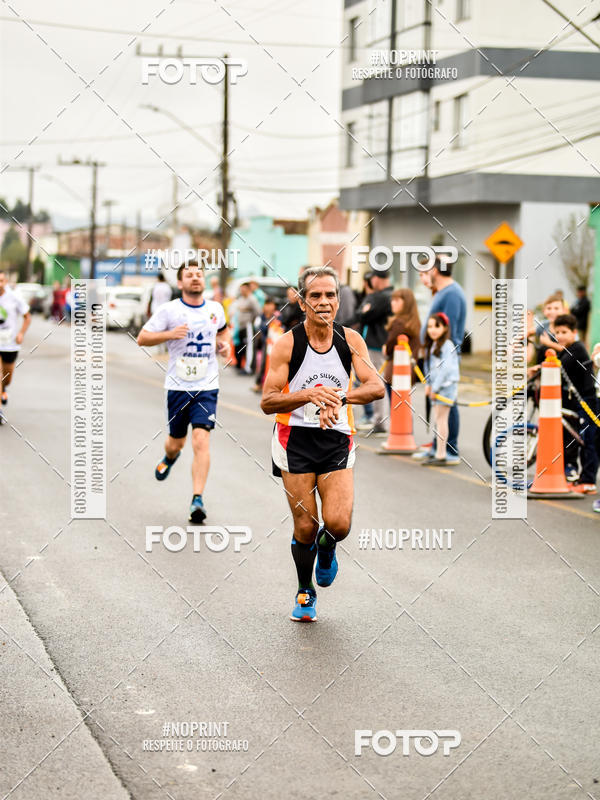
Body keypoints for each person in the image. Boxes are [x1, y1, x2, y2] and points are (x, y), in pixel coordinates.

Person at [261, 266, 384, 622]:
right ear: (302, 302)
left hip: (336, 439)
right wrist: (307, 395)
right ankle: (304, 591)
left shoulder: (350, 340)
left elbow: (376, 386)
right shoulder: (288, 344)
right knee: (305, 526)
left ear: (338, 299)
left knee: (339, 524)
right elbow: (268, 401)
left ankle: (327, 549)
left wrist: (339, 400)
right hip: (294, 439)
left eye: (330, 295)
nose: (324, 302)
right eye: (315, 295)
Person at [137, 263, 231, 522]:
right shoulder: (169, 310)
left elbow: (224, 332)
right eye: (189, 275)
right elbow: (142, 338)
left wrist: (224, 347)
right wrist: (169, 334)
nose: (195, 279)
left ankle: (197, 499)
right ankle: (169, 456)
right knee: (176, 442)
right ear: (180, 283)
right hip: (178, 386)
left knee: (201, 440)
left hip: (207, 386)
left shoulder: (215, 308)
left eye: (199, 275)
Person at [419, 258, 466, 464]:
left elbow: (447, 328)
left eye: (425, 270)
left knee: (447, 404)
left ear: (435, 271)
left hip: (443, 358)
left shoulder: (452, 294)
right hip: (436, 356)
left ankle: (450, 448)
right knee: (440, 408)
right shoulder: (444, 292)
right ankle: (439, 445)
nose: (423, 275)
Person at [552, 313, 598, 494]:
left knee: (589, 441)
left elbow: (558, 367)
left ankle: (589, 481)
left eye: (564, 332)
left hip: (588, 401)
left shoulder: (576, 350)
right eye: (557, 332)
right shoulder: (567, 350)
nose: (560, 336)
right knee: (581, 439)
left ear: (574, 333)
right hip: (579, 402)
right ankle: (581, 478)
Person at [356, 269, 393, 434]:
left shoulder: (383, 297)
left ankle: (380, 422)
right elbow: (360, 313)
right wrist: (364, 311)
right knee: (374, 381)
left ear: (377, 279)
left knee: (377, 382)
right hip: (375, 344)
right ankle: (377, 419)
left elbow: (364, 316)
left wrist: (366, 311)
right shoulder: (381, 296)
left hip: (378, 345)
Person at [421, 313, 459, 465]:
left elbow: (446, 369)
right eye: (430, 326)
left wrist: (435, 388)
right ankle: (439, 451)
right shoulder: (433, 345)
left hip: (446, 388)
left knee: (441, 420)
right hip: (437, 387)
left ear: (444, 328)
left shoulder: (447, 345)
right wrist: (428, 384)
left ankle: (441, 453)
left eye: (437, 326)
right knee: (439, 419)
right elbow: (428, 367)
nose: (433, 330)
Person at [0, 270, 31, 419]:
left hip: (10, 345)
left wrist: (21, 334)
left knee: (7, 378)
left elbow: (27, 317)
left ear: (6, 282)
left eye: (1, 281)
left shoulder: (14, 298)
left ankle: (4, 388)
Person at [383, 288, 421, 396]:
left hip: (394, 373)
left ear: (407, 303)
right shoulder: (414, 323)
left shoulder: (398, 323)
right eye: (392, 300)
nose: (392, 303)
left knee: (396, 409)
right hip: (408, 374)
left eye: (396, 300)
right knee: (404, 407)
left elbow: (389, 348)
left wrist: (385, 348)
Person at [231, 282, 260, 374]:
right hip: (240, 326)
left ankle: (249, 368)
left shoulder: (252, 299)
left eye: (244, 289)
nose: (242, 291)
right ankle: (242, 365)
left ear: (248, 289)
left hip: (248, 326)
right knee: (241, 346)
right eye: (241, 289)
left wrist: (251, 321)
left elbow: (258, 312)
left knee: (249, 347)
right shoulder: (241, 299)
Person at [252, 296, 278, 393]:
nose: (269, 307)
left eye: (271, 305)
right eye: (267, 305)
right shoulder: (261, 316)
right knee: (262, 364)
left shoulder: (277, 316)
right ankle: (259, 383)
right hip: (265, 343)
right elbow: (261, 328)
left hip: (275, 343)